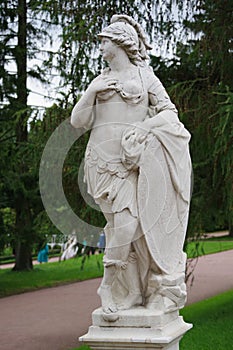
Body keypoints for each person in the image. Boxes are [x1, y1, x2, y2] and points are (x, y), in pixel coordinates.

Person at [71, 15, 192, 315]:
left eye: (105, 40)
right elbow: (77, 122)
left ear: (121, 43)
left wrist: (145, 128)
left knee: (131, 226)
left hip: (131, 165)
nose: (100, 45)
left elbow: (170, 114)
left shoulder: (145, 77)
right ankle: (124, 290)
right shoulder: (99, 80)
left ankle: (121, 289)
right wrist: (91, 93)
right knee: (124, 227)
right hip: (100, 164)